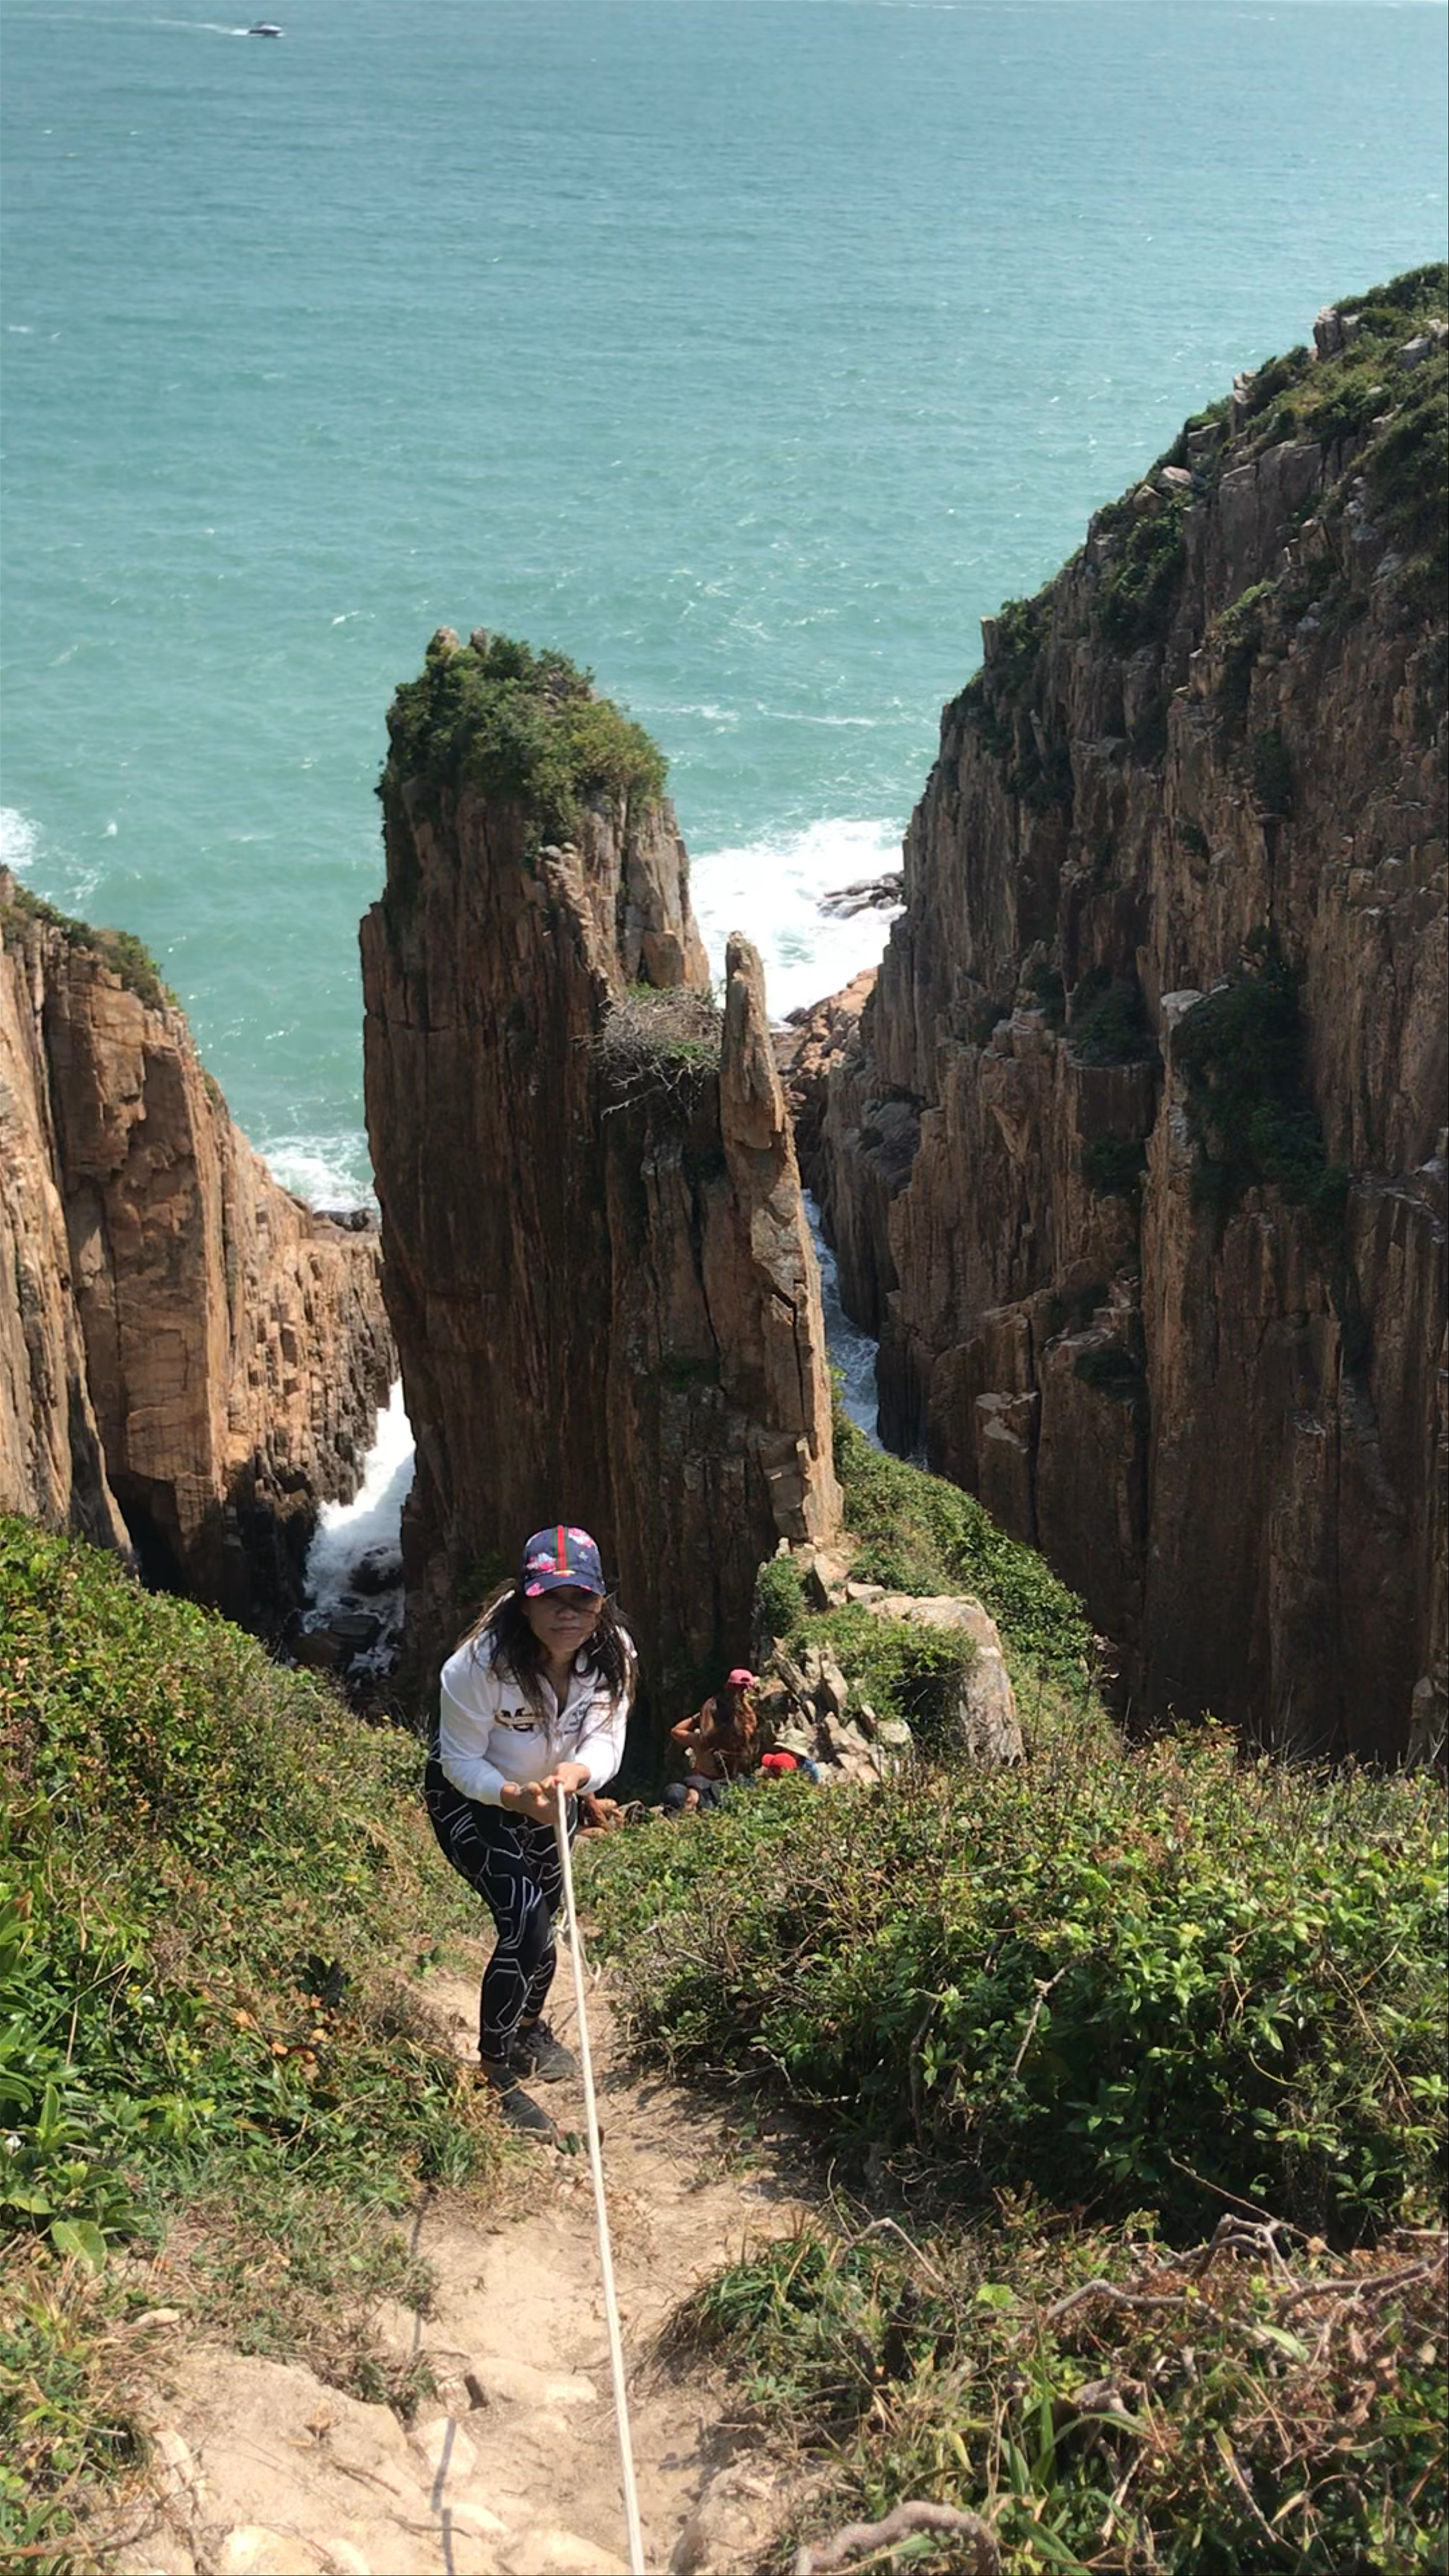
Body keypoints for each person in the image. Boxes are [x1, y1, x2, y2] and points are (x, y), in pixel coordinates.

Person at [425, 1524, 634, 2136]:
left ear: (601, 1598)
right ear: (525, 1598)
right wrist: (515, 1795)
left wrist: (579, 1773)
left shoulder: (612, 1653)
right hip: (474, 1797)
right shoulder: (477, 1667)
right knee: (524, 1921)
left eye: (583, 1597)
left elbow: (607, 1738)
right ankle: (494, 2071)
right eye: (551, 1596)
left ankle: (526, 2028)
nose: (568, 1612)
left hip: (555, 1793)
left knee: (550, 1921)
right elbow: (459, 1762)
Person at [662, 1666, 760, 1816]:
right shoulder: (741, 1736)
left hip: (703, 1785)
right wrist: (743, 1703)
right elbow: (752, 1722)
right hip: (729, 1784)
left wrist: (698, 1718)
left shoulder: (701, 1741)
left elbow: (675, 1731)